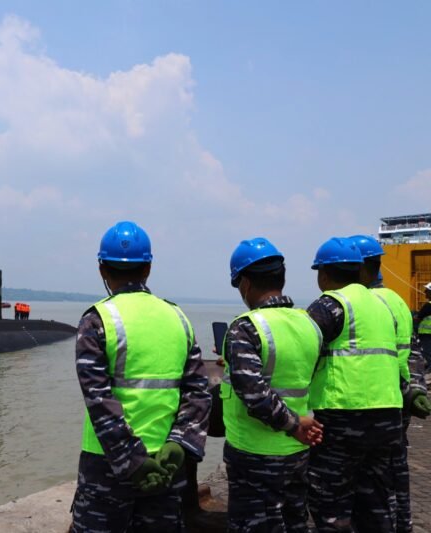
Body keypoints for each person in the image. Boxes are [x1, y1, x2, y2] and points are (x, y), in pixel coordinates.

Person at [70, 220, 211, 532]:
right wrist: (180, 444)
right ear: (148, 268)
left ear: (102, 269)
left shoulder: (97, 320)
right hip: (166, 464)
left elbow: (98, 400)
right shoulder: (178, 318)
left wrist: (131, 461)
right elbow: (199, 392)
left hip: (108, 465)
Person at [221, 237, 323, 532]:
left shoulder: (246, 327)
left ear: (245, 283)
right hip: (297, 451)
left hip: (254, 453)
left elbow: (255, 394)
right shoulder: (310, 324)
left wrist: (293, 424)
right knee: (294, 522)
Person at [305, 237, 404, 532]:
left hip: (342, 417)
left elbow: (300, 350)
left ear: (324, 274)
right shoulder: (382, 306)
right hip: (388, 416)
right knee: (376, 501)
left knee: (330, 503)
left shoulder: (330, 305)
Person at [350, 234, 430, 533]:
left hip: (369, 402)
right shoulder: (397, 301)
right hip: (399, 399)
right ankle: (401, 523)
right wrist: (416, 389)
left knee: (366, 482)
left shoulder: (363, 304)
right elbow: (413, 352)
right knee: (395, 472)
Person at [416, 282, 431, 368]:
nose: (425, 292)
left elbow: (418, 318)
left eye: (427, 290)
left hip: (426, 334)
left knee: (427, 353)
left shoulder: (428, 306)